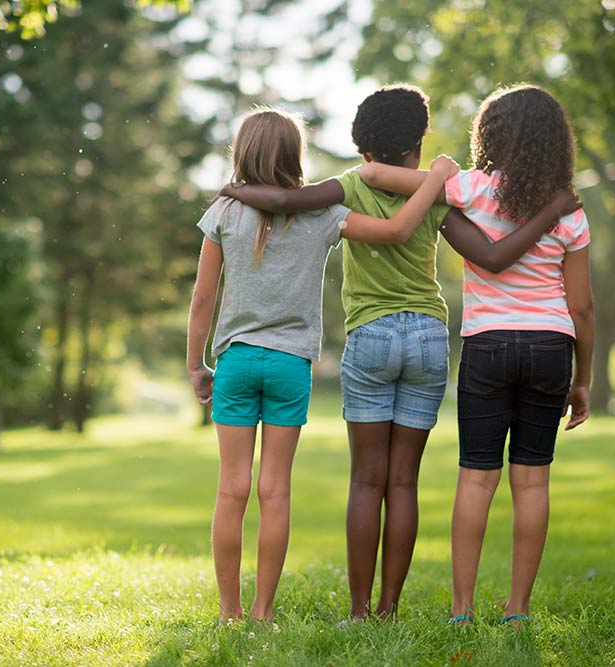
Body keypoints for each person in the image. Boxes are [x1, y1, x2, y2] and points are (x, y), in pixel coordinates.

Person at [219, 84, 581, 621]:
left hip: (370, 336)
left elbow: (287, 200)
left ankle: (362, 611)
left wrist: (235, 189)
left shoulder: (351, 185)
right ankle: (391, 606)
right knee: (404, 480)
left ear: (364, 149)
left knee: (367, 478)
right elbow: (489, 252)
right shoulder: (439, 194)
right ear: (419, 143)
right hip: (429, 340)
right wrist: (544, 204)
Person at [187, 106, 462, 624]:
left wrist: (197, 364)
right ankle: (264, 611)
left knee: (232, 489)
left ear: (240, 154)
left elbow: (203, 298)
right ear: (296, 156)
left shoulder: (223, 213)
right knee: (275, 490)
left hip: (238, 361)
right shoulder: (323, 216)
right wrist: (440, 177)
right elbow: (400, 229)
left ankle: (230, 613)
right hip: (291, 366)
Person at [358, 83, 595, 628]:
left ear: (489, 136)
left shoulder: (472, 187)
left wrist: (440, 173)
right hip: (551, 345)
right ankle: (517, 611)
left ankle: (461, 610)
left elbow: (372, 175)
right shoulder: (570, 212)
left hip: (487, 344)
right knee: (532, 481)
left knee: (476, 478)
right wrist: (584, 380)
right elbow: (582, 307)